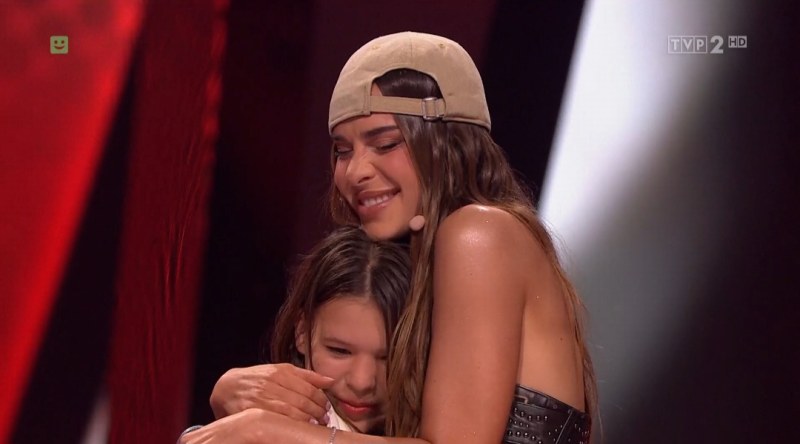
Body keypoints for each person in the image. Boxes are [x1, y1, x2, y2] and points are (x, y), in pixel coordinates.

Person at [185, 31, 596, 444]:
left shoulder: (477, 233)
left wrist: (266, 430)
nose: (356, 171)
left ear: (446, 143)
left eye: (384, 144)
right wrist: (232, 398)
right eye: (343, 151)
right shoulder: (428, 260)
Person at [181, 225, 410, 442]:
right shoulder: (255, 418)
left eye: (388, 357)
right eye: (339, 351)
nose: (362, 382)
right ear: (302, 332)